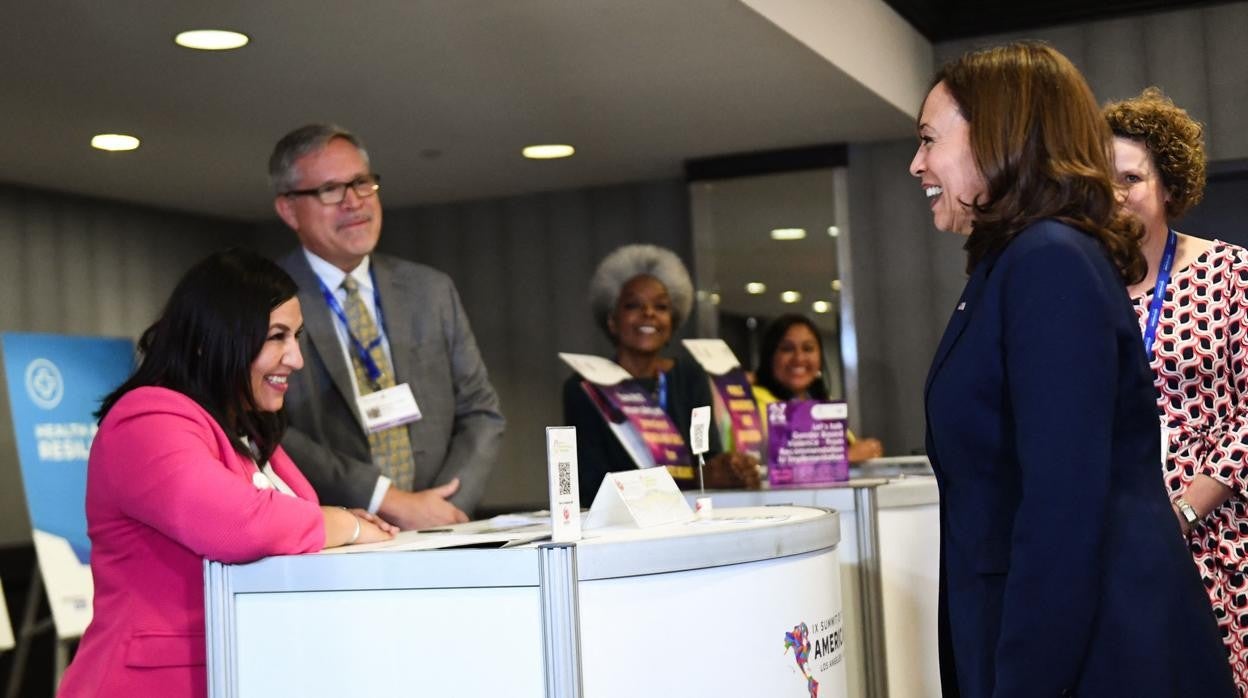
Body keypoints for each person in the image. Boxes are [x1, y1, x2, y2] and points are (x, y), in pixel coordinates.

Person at [912, 42, 1235, 697]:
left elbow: (1062, 511)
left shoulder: (1047, 261)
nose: (917, 164)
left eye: (928, 139)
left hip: (1093, 657)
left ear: (996, 133)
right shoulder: (1013, 261)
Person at [57, 250, 396, 698]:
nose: (295, 357)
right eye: (277, 336)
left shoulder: (247, 432)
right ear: (211, 339)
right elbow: (239, 524)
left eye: (295, 336)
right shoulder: (144, 421)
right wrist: (347, 525)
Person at [270, 124, 504, 530]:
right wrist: (385, 500)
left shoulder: (430, 290)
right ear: (289, 210)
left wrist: (444, 509)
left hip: (441, 530)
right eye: (331, 189)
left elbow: (481, 412)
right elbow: (269, 429)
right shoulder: (265, 299)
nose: (354, 202)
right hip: (335, 541)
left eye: (361, 183)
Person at [1106, 87, 1248, 694]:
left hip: (1219, 535)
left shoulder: (1231, 272)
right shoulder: (1082, 285)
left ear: (1169, 186)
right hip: (1119, 542)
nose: (1114, 195)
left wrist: (1188, 508)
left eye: (1131, 178)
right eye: (1100, 180)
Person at [562, 244, 759, 502]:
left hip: (689, 519)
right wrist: (693, 480)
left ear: (673, 321)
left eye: (661, 307)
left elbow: (707, 458)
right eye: (634, 305)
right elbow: (591, 483)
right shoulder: (587, 385)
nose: (649, 313)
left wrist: (731, 468)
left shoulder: (690, 376)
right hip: (619, 527)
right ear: (612, 320)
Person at [752, 313, 884, 462]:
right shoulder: (751, 403)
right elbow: (782, 465)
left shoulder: (823, 405)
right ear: (769, 356)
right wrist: (847, 457)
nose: (799, 358)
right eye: (787, 349)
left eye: (808, 349)